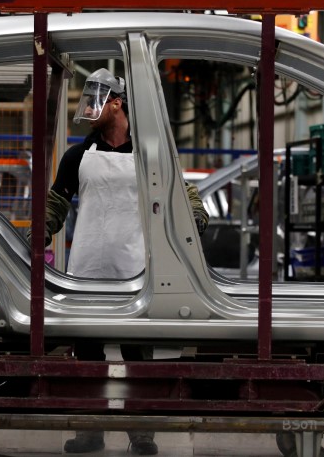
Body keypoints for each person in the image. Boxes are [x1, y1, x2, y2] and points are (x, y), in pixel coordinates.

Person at [36, 68, 209, 455]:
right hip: (86, 272)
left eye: (97, 100)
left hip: (134, 271)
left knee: (137, 355)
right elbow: (56, 202)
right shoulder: (78, 155)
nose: (89, 108)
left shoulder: (151, 153)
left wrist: (195, 217)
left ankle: (141, 432)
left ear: (116, 102)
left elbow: (184, 192)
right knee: (88, 356)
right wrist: (40, 231)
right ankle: (89, 431)